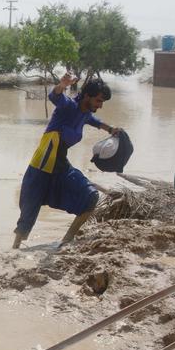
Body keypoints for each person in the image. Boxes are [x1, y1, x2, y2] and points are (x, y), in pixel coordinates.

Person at [13, 73, 120, 248]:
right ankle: (14, 250)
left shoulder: (85, 113)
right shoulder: (69, 107)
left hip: (60, 163)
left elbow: (93, 120)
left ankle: (65, 242)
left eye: (102, 102)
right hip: (42, 164)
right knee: (30, 208)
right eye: (98, 101)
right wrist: (62, 85)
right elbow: (55, 96)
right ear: (87, 96)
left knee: (90, 196)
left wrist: (111, 129)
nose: (100, 106)